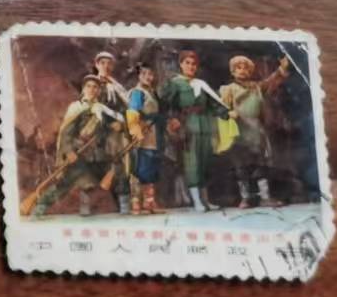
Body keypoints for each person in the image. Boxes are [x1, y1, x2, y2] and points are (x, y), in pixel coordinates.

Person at [31, 76, 124, 217]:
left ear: (99, 91)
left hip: (97, 154)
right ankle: (40, 206)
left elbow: (109, 125)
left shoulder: (101, 109)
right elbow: (66, 133)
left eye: (95, 87)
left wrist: (117, 125)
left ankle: (123, 209)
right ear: (83, 89)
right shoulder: (76, 107)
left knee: (116, 174)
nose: (92, 90)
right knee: (66, 183)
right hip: (78, 153)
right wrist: (69, 151)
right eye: (89, 86)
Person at [161, 49, 234, 213]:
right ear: (181, 65)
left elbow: (213, 104)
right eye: (187, 63)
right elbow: (167, 104)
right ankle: (196, 201)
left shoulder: (201, 84)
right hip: (187, 126)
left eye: (194, 64)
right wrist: (172, 119)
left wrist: (227, 113)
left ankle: (206, 200)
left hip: (205, 125)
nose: (191, 66)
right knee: (192, 163)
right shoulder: (175, 83)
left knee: (205, 161)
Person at [220, 54, 291, 209]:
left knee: (261, 164)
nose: (242, 70)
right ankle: (245, 198)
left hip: (256, 130)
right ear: (233, 71)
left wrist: (281, 69)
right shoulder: (228, 89)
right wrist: (229, 113)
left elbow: (271, 81)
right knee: (242, 166)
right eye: (239, 68)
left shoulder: (256, 87)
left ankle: (265, 197)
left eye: (246, 68)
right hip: (239, 130)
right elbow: (221, 108)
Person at [93, 51, 133, 215]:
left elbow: (126, 106)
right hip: (102, 131)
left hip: (121, 130)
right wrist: (110, 123)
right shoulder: (92, 84)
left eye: (109, 63)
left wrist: (126, 123)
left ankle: (124, 204)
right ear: (97, 64)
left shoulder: (117, 86)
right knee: (106, 165)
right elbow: (92, 109)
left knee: (122, 165)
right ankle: (109, 204)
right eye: (103, 63)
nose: (106, 66)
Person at [125, 62, 165, 215]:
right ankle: (136, 202)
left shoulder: (153, 93)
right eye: (144, 74)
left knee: (152, 167)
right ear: (138, 75)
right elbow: (132, 113)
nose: (148, 77)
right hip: (143, 135)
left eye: (151, 74)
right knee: (140, 168)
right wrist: (136, 132)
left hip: (154, 133)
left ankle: (149, 202)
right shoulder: (137, 93)